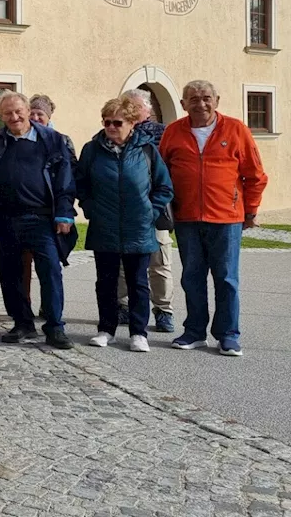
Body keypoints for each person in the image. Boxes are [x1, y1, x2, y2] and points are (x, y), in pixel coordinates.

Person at [159, 80, 267, 356]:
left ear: (217, 100)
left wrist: (251, 210)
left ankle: (228, 334)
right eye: (193, 98)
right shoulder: (173, 132)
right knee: (192, 276)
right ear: (183, 104)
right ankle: (194, 331)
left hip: (226, 217)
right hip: (186, 217)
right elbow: (161, 173)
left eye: (206, 98)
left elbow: (254, 175)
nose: (201, 103)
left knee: (226, 278)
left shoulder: (235, 129)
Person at [0, 91, 78, 349]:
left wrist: (65, 213)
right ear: (2, 116)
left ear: (27, 110)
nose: (14, 117)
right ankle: (22, 323)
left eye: (18, 111)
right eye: (7, 113)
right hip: (4, 219)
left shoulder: (53, 140)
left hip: (41, 218)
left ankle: (55, 326)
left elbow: (65, 180)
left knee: (50, 272)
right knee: (10, 274)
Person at [75, 97, 174, 353]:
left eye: (117, 122)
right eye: (106, 122)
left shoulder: (147, 150)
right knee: (105, 281)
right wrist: (90, 208)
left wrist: (149, 211)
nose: (111, 127)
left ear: (132, 123)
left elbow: (164, 187)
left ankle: (138, 333)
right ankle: (105, 329)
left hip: (138, 226)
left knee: (138, 282)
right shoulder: (92, 149)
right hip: (104, 225)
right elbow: (81, 184)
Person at [118, 88, 174, 333]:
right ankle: (120, 306)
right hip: (122, 211)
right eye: (126, 105)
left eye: (135, 106)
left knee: (159, 260)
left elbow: (167, 173)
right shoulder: (116, 131)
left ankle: (163, 310)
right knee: (121, 260)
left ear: (148, 109)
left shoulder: (163, 133)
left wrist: (153, 208)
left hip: (153, 209)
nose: (130, 109)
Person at [28, 94, 78, 161]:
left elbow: (71, 166)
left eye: (40, 114)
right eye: (31, 114)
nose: (35, 118)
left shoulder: (62, 141)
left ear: (48, 117)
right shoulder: (22, 138)